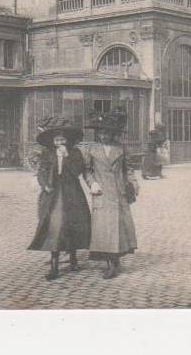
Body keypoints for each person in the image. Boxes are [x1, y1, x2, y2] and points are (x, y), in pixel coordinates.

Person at [28, 117, 93, 280]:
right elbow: (42, 171)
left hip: (72, 192)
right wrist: (44, 185)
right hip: (53, 193)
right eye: (56, 139)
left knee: (72, 224)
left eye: (62, 139)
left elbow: (78, 171)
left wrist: (67, 157)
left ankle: (73, 259)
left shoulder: (75, 153)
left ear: (67, 140)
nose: (59, 142)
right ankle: (54, 266)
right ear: (52, 141)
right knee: (54, 226)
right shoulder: (47, 152)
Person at [83, 109, 139, 279]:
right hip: (101, 192)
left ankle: (115, 260)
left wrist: (133, 182)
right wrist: (92, 183)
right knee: (104, 228)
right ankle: (109, 262)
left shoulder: (120, 148)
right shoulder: (91, 149)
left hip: (118, 191)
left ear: (113, 133)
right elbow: (87, 170)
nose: (103, 136)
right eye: (100, 133)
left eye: (107, 132)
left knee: (118, 227)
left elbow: (128, 169)